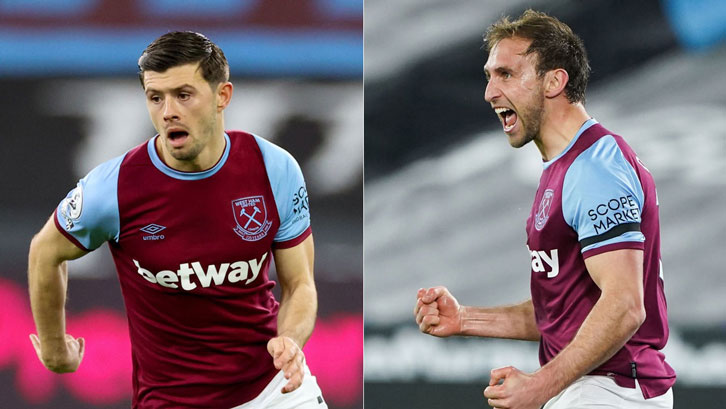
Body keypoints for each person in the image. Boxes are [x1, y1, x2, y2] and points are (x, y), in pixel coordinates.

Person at [28, 31, 327, 409]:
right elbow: (45, 252)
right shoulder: (115, 187)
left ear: (223, 96)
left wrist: (291, 341)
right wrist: (54, 349)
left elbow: (300, 284)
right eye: (156, 98)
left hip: (274, 390)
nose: (168, 111)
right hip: (171, 400)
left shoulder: (274, 168)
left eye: (183, 95)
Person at [414, 10, 675, 409]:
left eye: (506, 74)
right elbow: (564, 316)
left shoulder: (595, 168)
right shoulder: (565, 167)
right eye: (489, 76)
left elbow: (624, 306)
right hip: (593, 389)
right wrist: (465, 319)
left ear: (554, 81)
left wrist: (540, 384)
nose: (489, 92)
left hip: (613, 391)